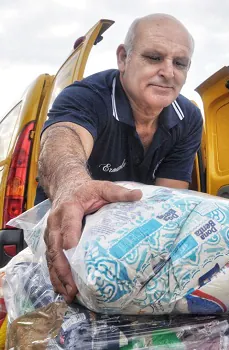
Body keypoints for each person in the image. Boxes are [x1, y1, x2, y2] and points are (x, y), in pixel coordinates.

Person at [35, 14, 203, 303]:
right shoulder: (86, 96)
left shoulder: (187, 118)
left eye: (180, 63)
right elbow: (63, 140)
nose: (168, 72)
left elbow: (168, 201)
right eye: (154, 57)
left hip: (129, 233)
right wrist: (72, 185)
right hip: (68, 230)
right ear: (124, 58)